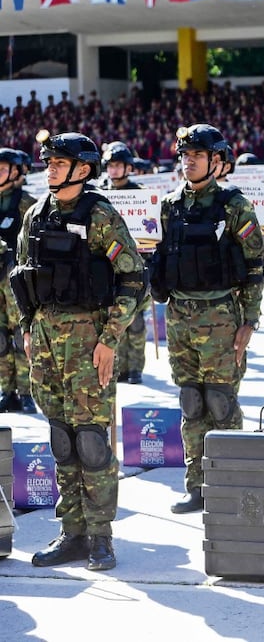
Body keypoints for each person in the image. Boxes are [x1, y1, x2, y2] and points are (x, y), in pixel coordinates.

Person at [13, 131, 145, 571]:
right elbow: (24, 277)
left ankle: (101, 537)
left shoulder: (100, 215)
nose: (49, 167)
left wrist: (110, 339)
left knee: (91, 442)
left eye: (59, 161)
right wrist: (29, 329)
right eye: (48, 161)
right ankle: (71, 532)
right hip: (47, 341)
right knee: (62, 439)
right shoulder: (36, 214)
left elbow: (132, 278)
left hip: (90, 342)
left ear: (82, 170)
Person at [149, 124, 264, 515]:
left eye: (197, 155)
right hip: (180, 313)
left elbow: (253, 266)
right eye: (184, 155)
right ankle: (195, 485)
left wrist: (249, 320)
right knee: (191, 401)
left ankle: (229, 482)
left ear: (217, 161)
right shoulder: (170, 205)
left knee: (220, 402)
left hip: (220, 314)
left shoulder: (235, 205)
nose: (188, 162)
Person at [98, 142, 149, 386]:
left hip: (134, 266)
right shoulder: (98, 195)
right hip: (106, 268)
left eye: (118, 165)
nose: (114, 170)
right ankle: (116, 367)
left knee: (135, 323)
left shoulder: (139, 194)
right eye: (110, 166)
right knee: (112, 321)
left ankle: (135, 368)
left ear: (128, 167)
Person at [0, 148, 38, 412]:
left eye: (2, 169)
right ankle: (6, 390)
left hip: (15, 279)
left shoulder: (27, 204)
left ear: (15, 173)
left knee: (19, 335)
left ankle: (26, 392)